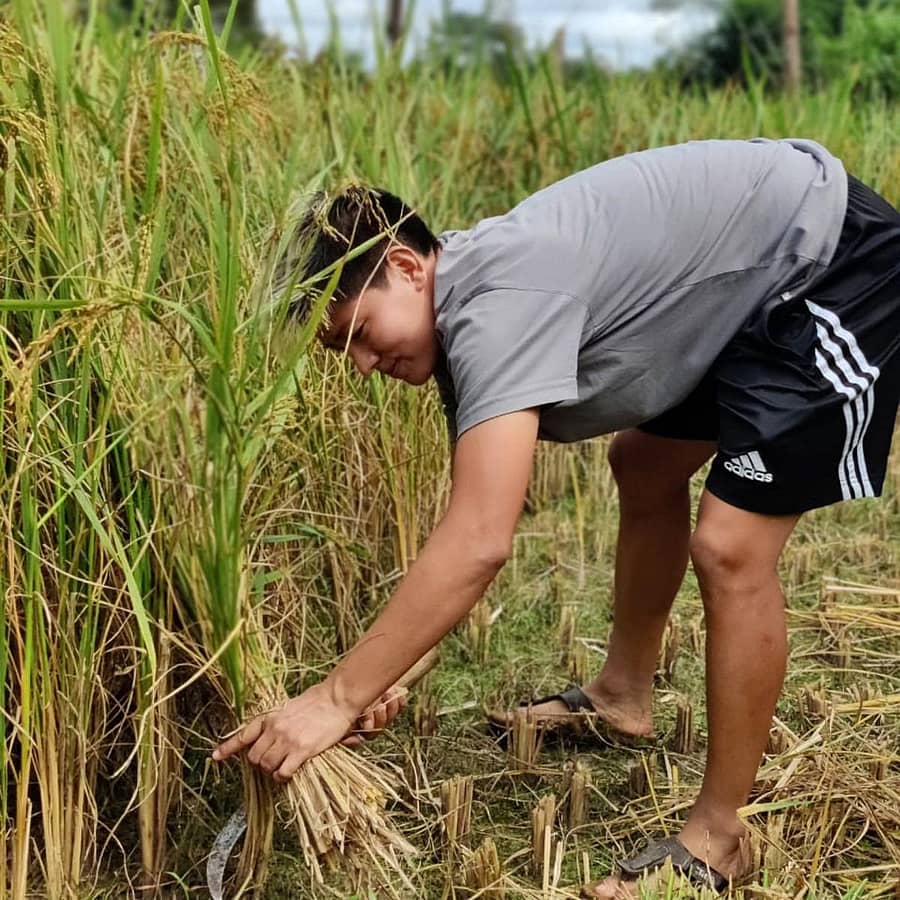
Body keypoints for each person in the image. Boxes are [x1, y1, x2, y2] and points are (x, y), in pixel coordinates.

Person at [212, 138, 900, 897]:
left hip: (824, 262)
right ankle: (621, 699)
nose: (363, 367)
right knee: (642, 463)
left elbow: (479, 543)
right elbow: (467, 528)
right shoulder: (465, 305)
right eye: (342, 353)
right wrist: (390, 675)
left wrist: (333, 701)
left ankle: (720, 838)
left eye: (361, 335)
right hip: (744, 285)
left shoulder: (498, 311)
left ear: (409, 269)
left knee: (731, 546)